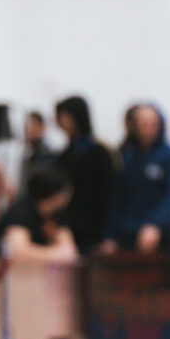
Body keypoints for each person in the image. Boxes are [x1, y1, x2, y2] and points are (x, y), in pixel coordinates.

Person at [102, 102, 170, 253]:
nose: (147, 129)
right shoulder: (127, 156)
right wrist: (110, 235)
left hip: (160, 238)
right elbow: (118, 199)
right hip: (127, 234)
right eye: (143, 124)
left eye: (152, 124)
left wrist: (155, 224)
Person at [53, 94, 113, 253]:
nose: (60, 122)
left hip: (94, 230)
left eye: (64, 117)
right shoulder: (64, 155)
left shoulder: (98, 153)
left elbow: (108, 194)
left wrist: (108, 234)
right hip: (70, 228)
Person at [0, 166, 77, 264]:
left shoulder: (57, 214)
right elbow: (18, 253)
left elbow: (70, 251)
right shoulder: (20, 212)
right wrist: (56, 254)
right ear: (55, 195)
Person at [18, 110, 54, 188]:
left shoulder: (47, 155)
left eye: (33, 126)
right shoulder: (28, 153)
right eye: (26, 127)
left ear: (42, 127)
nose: (28, 130)